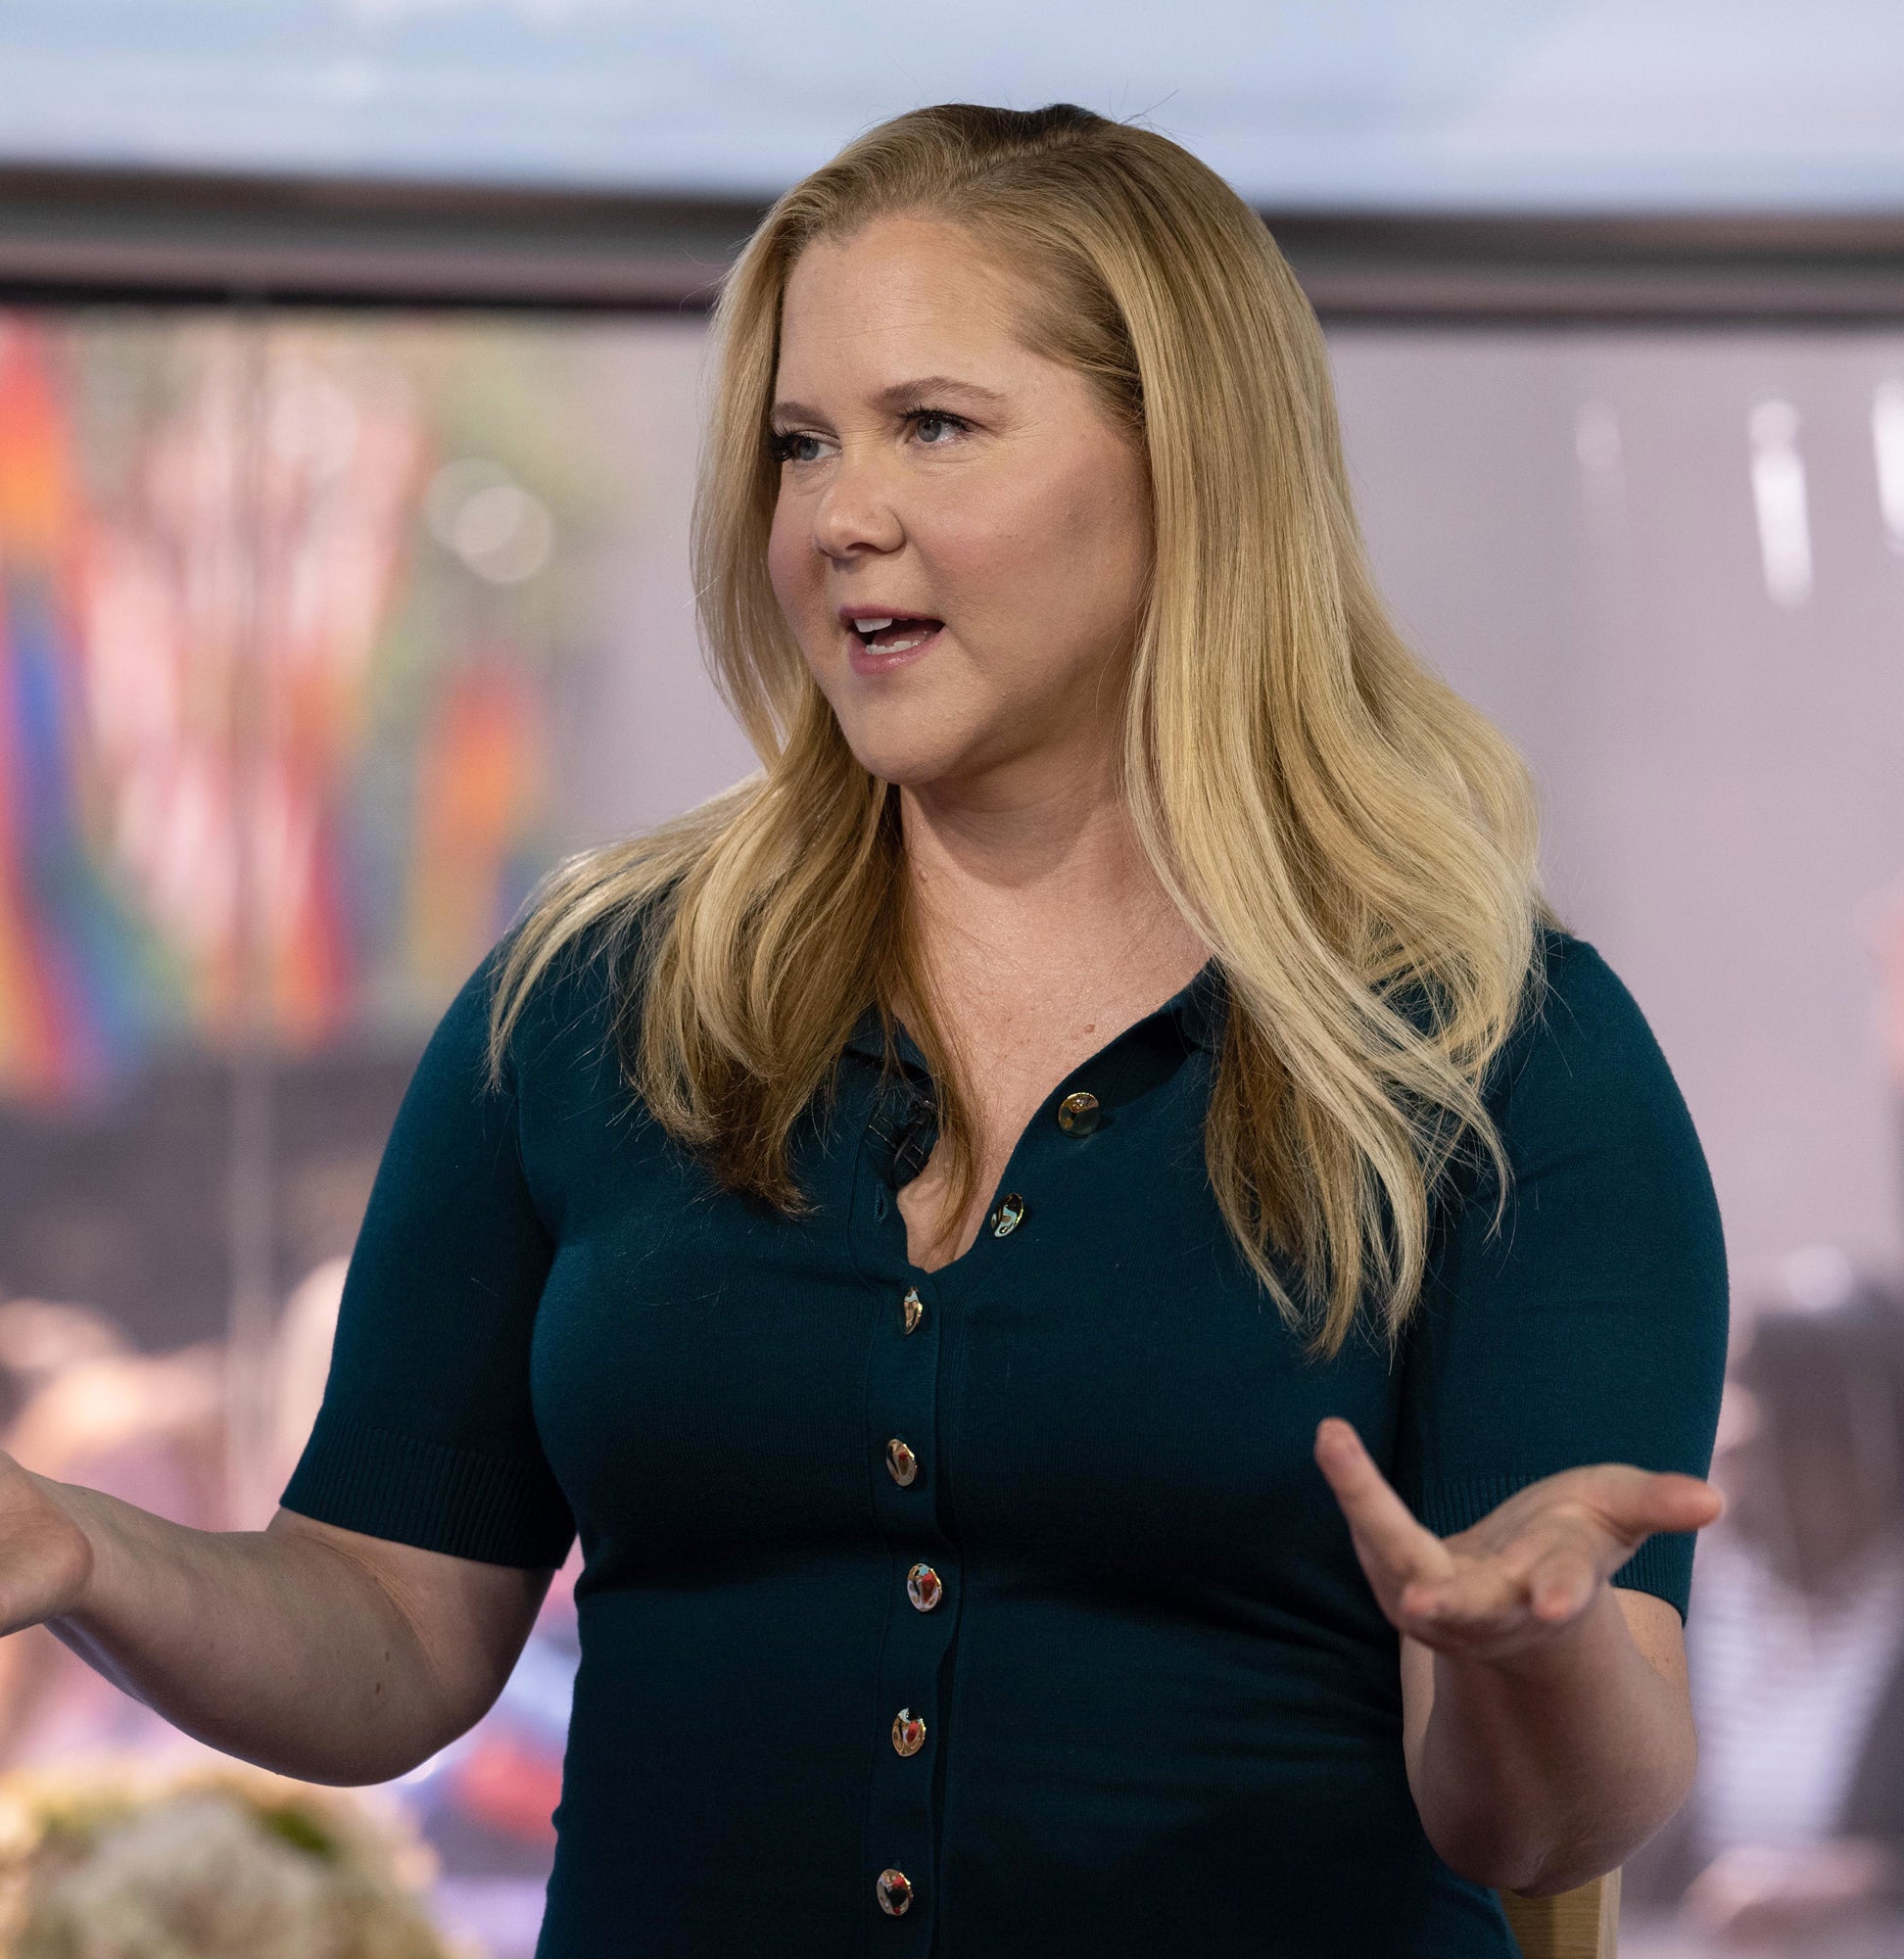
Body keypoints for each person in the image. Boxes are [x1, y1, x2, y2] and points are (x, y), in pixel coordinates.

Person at [0, 104, 1728, 1956]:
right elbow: (389, 1633)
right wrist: (89, 1548)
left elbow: (1547, 1818)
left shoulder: (1497, 1053)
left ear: (1193, 464)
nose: (840, 516)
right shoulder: (590, 1004)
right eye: (800, 444)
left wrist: (1524, 1656)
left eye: (934, 427)